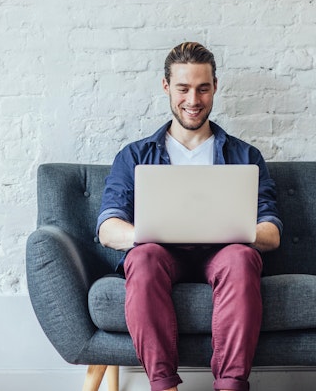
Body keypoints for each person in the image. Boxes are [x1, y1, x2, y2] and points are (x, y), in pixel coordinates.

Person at [96, 42, 283, 391]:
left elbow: (271, 232)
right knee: (144, 256)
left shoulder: (245, 155)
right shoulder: (136, 156)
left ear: (215, 87)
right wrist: (151, 232)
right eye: (183, 88)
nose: (193, 100)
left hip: (224, 254)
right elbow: (109, 228)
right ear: (166, 86)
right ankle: (164, 386)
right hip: (163, 256)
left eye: (203, 88)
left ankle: (230, 386)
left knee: (242, 258)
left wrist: (238, 231)